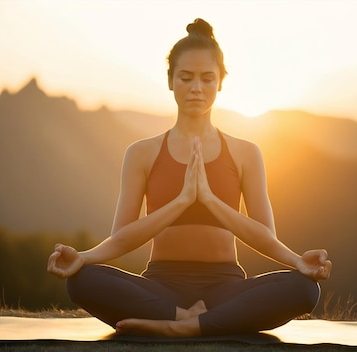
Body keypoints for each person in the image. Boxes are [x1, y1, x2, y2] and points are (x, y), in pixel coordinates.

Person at [47, 18, 332, 337]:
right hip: (161, 284)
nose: (196, 88)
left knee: (304, 289)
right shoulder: (142, 152)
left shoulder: (245, 153)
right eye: (186, 78)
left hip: (226, 286)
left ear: (220, 82)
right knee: (82, 280)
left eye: (207, 79)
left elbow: (264, 236)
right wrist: (182, 199)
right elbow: (122, 238)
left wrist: (209, 199)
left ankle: (181, 325)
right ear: (170, 81)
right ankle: (192, 318)